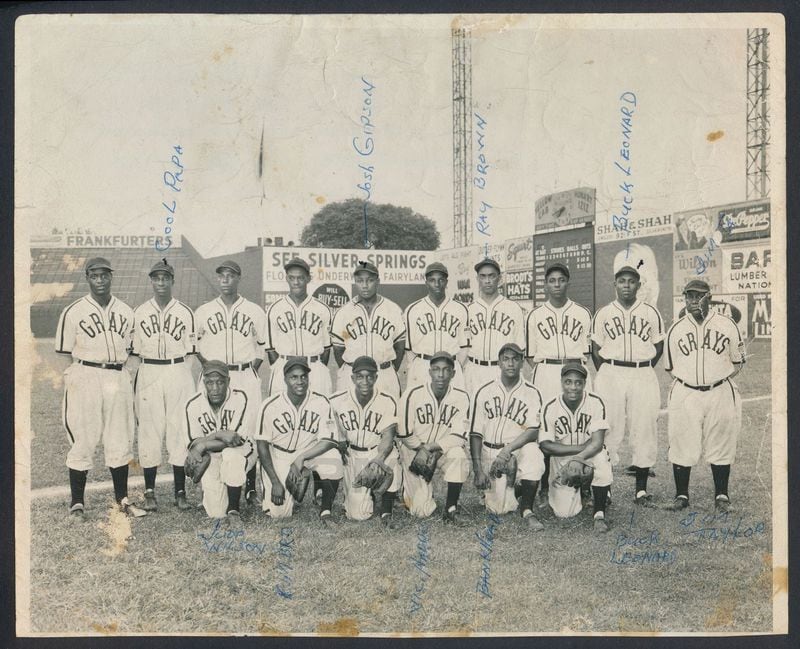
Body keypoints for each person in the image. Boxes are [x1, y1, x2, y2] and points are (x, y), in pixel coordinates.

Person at [55, 257, 146, 519]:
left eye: (105, 275)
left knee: (120, 437)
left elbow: (133, 349)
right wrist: (71, 376)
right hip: (86, 374)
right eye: (95, 275)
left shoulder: (126, 311)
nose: (100, 280)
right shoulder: (73, 311)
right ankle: (77, 503)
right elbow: (63, 351)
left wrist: (125, 373)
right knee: (84, 437)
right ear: (87, 278)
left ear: (111, 277)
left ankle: (122, 500)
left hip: (116, 375)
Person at [662, 279, 746, 513]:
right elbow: (670, 367)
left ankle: (721, 495)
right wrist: (692, 383)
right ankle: (681, 495)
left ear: (709, 297)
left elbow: (737, 361)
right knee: (681, 441)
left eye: (698, 295)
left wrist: (715, 377)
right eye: (689, 296)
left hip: (719, 390)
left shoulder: (727, 324)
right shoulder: (676, 329)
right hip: (685, 392)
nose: (693, 300)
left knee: (721, 441)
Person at [591, 265, 664, 506]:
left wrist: (643, 366)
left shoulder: (651, 313)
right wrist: (606, 369)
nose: (626, 285)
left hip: (642, 372)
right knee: (608, 427)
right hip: (610, 371)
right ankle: (606, 486)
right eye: (621, 281)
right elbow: (595, 348)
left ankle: (641, 490)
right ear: (615, 285)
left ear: (638, 285)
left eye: (631, 281)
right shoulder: (603, 313)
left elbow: (658, 346)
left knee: (644, 427)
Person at [195, 259, 266, 505]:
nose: (225, 279)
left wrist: (247, 370)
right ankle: (212, 481)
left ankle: (250, 486)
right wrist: (210, 370)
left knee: (249, 429)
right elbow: (196, 346)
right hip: (215, 378)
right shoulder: (203, 311)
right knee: (212, 426)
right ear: (217, 279)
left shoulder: (255, 311)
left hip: (244, 374)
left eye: (231, 275)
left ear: (238, 278)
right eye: (222, 275)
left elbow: (261, 348)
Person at [132, 259, 198, 511]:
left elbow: (191, 354)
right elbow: (134, 352)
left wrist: (178, 373)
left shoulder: (185, 311)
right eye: (156, 278)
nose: (161, 282)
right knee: (149, 430)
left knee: (178, 430)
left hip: (177, 369)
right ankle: (149, 492)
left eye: (165, 278)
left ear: (172, 280)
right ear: (151, 281)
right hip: (149, 370)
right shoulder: (139, 312)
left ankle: (179, 492)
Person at [525, 261, 592, 504]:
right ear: (545, 284)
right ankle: (543, 486)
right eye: (551, 280)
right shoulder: (535, 315)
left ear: (568, 282)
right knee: (546, 427)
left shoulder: (582, 313)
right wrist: (546, 371)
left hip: (574, 369)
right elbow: (531, 355)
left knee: (581, 425)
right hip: (546, 370)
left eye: (561, 280)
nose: (556, 285)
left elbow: (587, 350)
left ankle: (585, 483)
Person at [255, 357, 343, 524]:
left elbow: (330, 440)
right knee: (279, 514)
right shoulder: (269, 405)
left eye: (303, 376)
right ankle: (286, 485)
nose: (300, 381)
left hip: (308, 453)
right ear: (285, 380)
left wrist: (301, 458)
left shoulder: (321, 401)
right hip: (279, 455)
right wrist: (275, 482)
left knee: (334, 459)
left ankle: (325, 510)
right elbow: (262, 446)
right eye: (294, 377)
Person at [469, 343, 546, 530]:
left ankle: (527, 510)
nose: (510, 363)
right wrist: (478, 470)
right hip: (489, 451)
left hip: (515, 450)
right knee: (498, 509)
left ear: (521, 363)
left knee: (534, 453)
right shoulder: (484, 390)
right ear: (499, 363)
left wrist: (508, 450)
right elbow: (475, 433)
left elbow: (534, 430)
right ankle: (513, 489)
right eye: (506, 359)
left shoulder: (532, 392)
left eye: (515, 359)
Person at [397, 351, 471, 524]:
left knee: (458, 456)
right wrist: (421, 449)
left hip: (440, 450)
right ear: (429, 372)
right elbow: (404, 433)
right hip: (413, 450)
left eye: (446, 370)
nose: (441, 375)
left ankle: (451, 508)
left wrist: (431, 448)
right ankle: (407, 487)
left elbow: (459, 436)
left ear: (453, 373)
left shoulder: (461, 397)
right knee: (421, 511)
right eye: (436, 369)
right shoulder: (412, 394)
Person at [538, 362, 613, 533]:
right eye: (568, 382)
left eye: (578, 382)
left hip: (590, 454)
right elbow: (546, 446)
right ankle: (583, 489)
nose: (573, 387)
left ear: (584, 384)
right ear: (562, 382)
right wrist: (577, 454)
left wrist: (579, 458)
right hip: (563, 458)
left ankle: (599, 513)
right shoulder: (550, 406)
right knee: (564, 513)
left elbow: (597, 443)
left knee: (601, 458)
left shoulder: (595, 402)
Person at [330, 356, 402, 528]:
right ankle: (366, 494)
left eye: (370, 376)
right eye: (360, 376)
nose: (365, 381)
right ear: (353, 378)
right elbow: (332, 427)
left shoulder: (387, 400)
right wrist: (339, 442)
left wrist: (379, 458)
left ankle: (386, 510)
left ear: (376, 377)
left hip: (375, 451)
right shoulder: (337, 400)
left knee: (392, 456)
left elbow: (388, 435)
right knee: (358, 515)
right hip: (352, 454)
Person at [183, 361, 255, 522]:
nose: (215, 388)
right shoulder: (193, 404)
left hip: (242, 451)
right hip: (213, 456)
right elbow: (193, 443)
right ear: (204, 383)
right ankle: (223, 494)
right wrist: (220, 435)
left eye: (220, 382)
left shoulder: (240, 397)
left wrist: (203, 444)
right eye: (210, 383)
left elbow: (234, 440)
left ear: (228, 381)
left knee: (231, 455)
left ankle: (234, 510)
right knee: (216, 512)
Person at [330, 261, 406, 399]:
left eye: (370, 280)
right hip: (353, 375)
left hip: (383, 374)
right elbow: (339, 348)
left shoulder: (392, 309)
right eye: (360, 281)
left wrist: (386, 368)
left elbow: (399, 347)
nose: (364, 285)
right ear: (355, 282)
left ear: (378, 282)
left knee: (388, 417)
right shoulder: (344, 313)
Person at [265, 257, 333, 396]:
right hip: (285, 366)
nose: (296, 282)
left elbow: (326, 350)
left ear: (308, 278)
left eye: (300, 278)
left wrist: (316, 366)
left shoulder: (322, 308)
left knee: (318, 412)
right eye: (292, 278)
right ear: (287, 279)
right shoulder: (275, 308)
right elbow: (271, 351)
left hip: (314, 368)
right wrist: (281, 368)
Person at [403, 261, 469, 390]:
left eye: (441, 280)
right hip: (423, 365)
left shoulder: (460, 308)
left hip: (450, 366)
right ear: (426, 282)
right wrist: (418, 367)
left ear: (446, 281)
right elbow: (409, 350)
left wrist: (454, 365)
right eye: (432, 280)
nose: (437, 284)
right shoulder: (413, 309)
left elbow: (464, 347)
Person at [465, 259, 526, 395]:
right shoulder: (469, 310)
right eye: (483, 276)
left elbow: (520, 347)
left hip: (501, 371)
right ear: (477, 279)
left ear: (499, 278)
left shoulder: (513, 308)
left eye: (491, 276)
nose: (487, 281)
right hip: (474, 370)